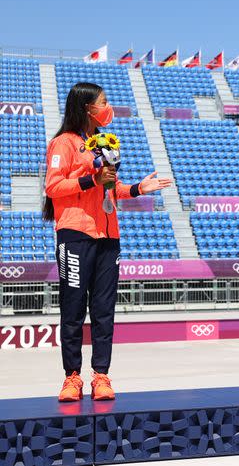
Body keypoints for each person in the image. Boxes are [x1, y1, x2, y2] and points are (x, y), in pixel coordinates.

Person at [44, 82, 172, 401]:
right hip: (75, 234)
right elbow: (53, 187)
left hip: (109, 236)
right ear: (87, 107)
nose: (107, 107)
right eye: (103, 102)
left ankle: (101, 375)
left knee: (104, 310)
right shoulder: (65, 143)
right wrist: (91, 179)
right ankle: (72, 378)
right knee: (73, 310)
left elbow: (110, 189)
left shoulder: (102, 142)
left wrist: (138, 189)